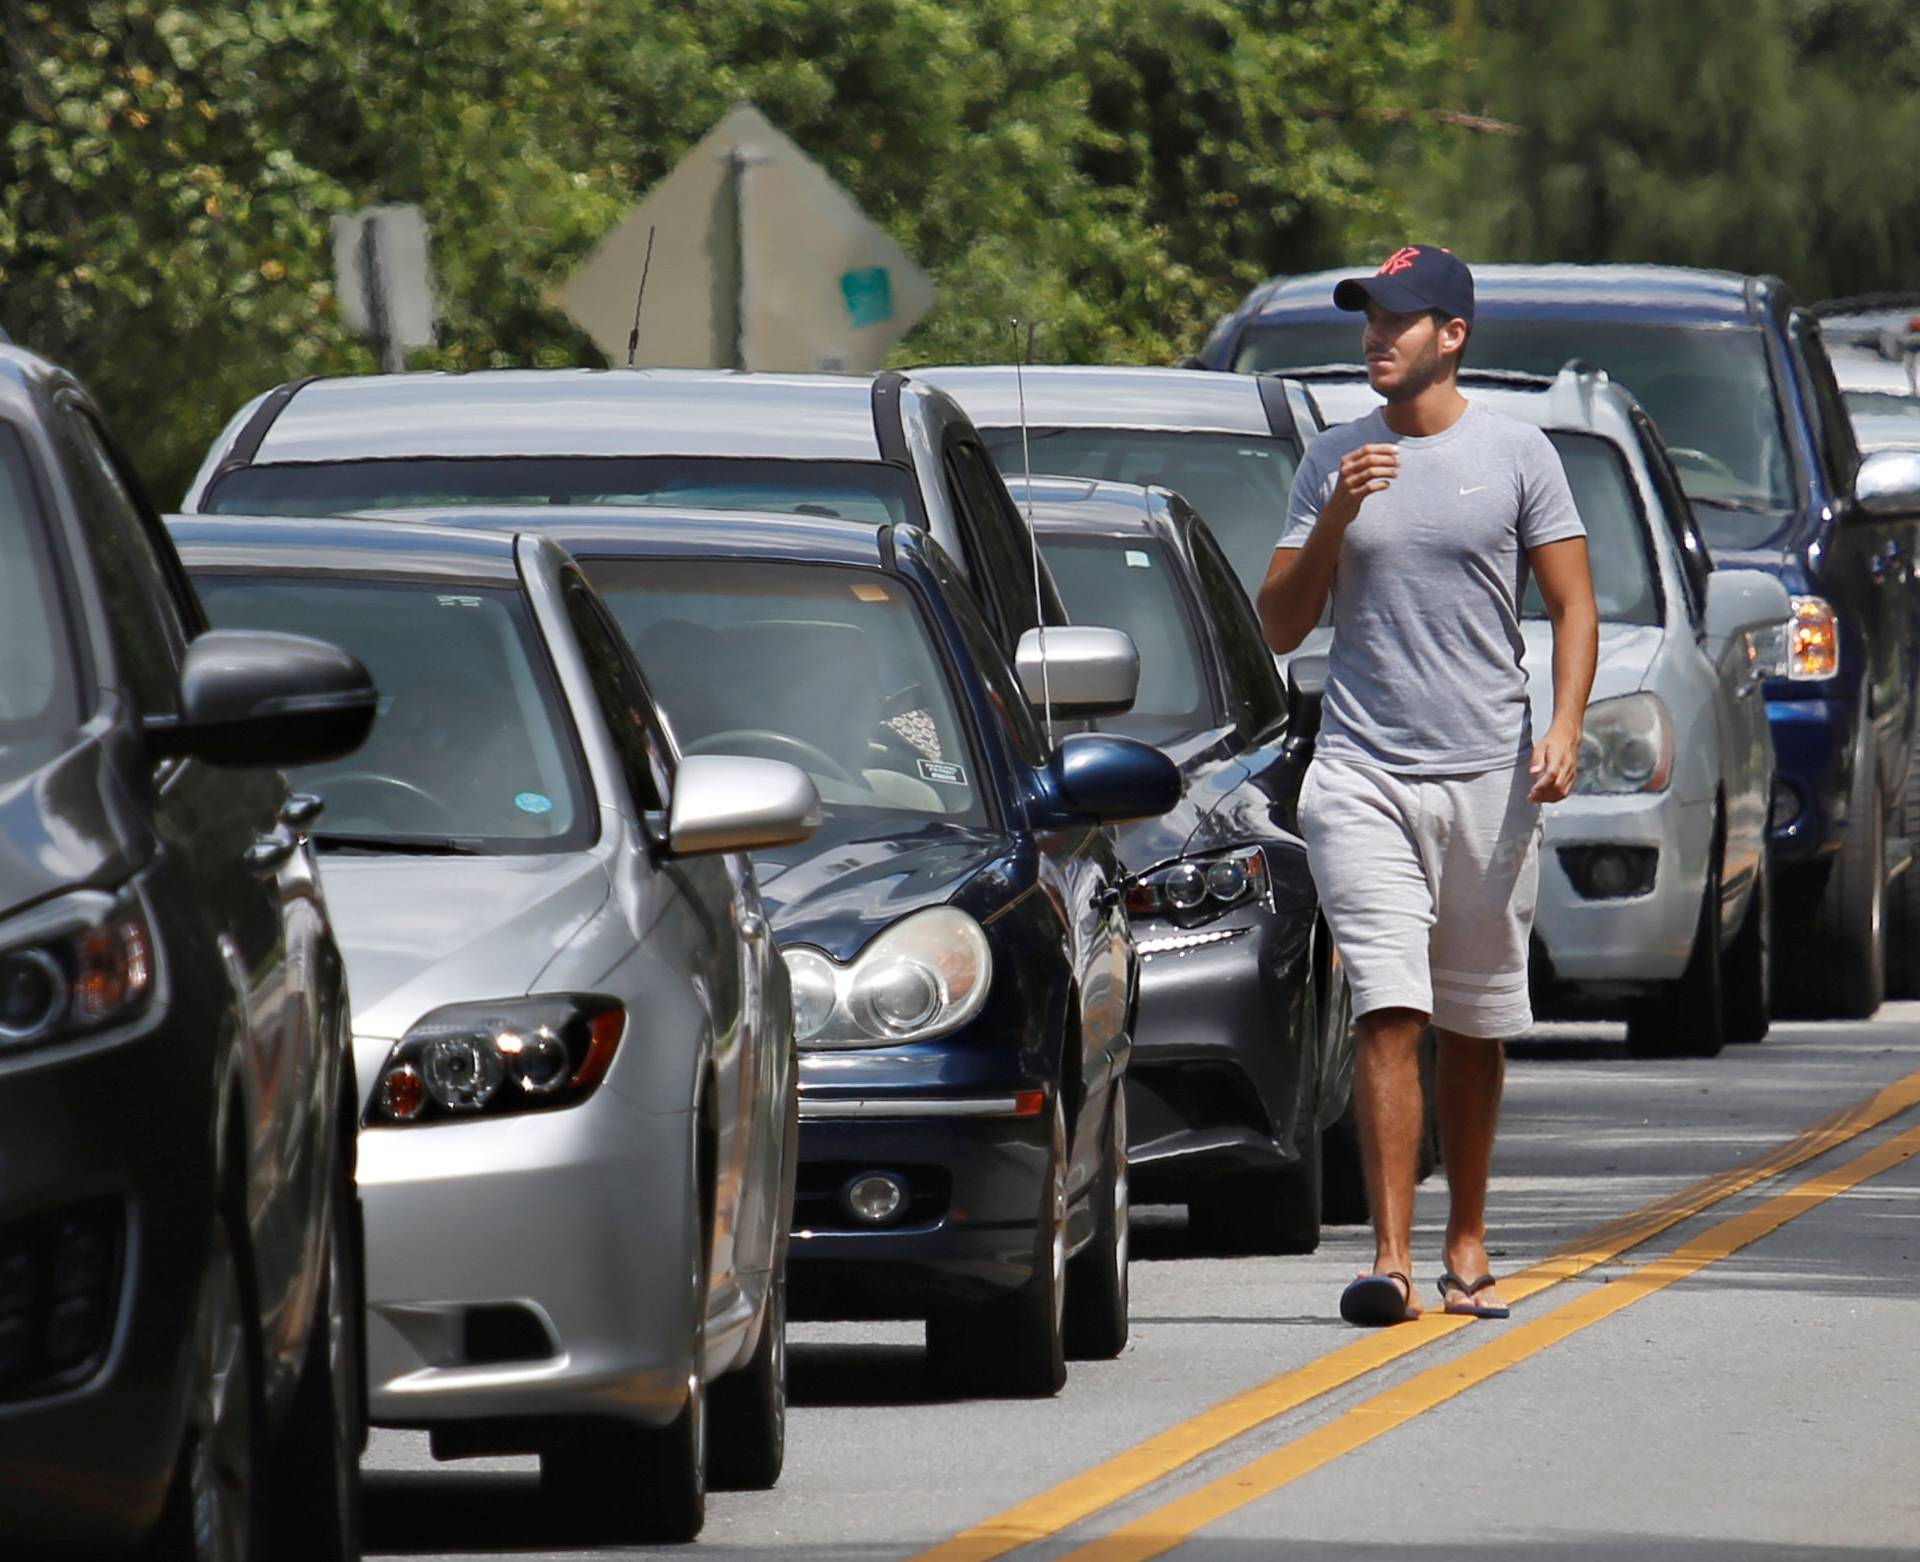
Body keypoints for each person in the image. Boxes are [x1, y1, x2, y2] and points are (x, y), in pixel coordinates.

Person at [1257, 245, 1598, 1326]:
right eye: (1368, 318)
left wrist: (1567, 723)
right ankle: (1391, 1260)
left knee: (1475, 1018)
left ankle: (1467, 1242)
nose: (1376, 337)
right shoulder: (1334, 459)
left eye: (1399, 319)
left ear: (1452, 333)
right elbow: (1278, 622)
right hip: (1361, 770)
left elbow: (1572, 604)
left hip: (1489, 777)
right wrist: (1335, 521)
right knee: (1388, 1006)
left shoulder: (1518, 452)